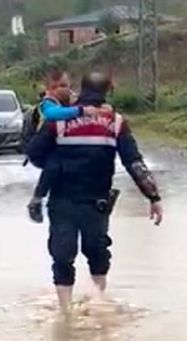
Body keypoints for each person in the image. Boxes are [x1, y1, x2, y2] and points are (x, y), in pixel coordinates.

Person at [26, 71, 164, 311]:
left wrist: (57, 161)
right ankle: (98, 303)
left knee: (62, 255)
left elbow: (35, 154)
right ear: (107, 91)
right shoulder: (115, 122)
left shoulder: (59, 119)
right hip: (96, 202)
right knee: (98, 253)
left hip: (62, 200)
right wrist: (153, 197)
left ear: (81, 89)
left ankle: (66, 312)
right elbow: (134, 163)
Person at [26, 70, 113, 223]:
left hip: (60, 145)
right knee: (54, 163)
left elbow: (92, 107)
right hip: (40, 149)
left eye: (64, 85)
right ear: (47, 90)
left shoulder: (72, 100)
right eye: (55, 87)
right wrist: (81, 110)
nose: (60, 89)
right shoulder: (47, 104)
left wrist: (103, 108)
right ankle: (37, 199)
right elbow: (54, 114)